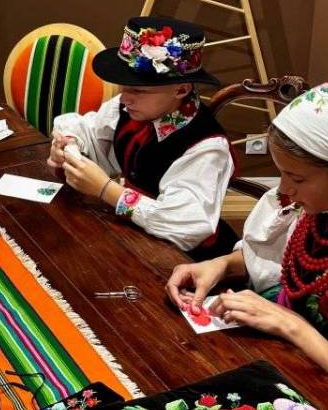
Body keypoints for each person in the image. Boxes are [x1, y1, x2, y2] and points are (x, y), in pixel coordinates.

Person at [166, 82, 328, 410]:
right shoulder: (319, 204)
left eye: (295, 177)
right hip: (285, 362)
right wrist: (223, 264)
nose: (283, 189)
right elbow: (285, 260)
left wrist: (291, 325)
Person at [48, 16, 236, 259]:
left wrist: (106, 190)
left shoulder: (206, 148)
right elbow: (88, 132)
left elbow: (184, 227)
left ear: (181, 90)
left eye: (138, 90)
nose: (125, 98)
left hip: (185, 259)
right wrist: (68, 146)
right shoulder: (131, 107)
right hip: (133, 235)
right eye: (124, 86)